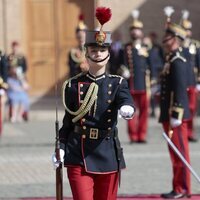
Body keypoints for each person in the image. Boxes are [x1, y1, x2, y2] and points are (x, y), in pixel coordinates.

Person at [52, 7, 135, 200]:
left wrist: (127, 108)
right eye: (94, 50)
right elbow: (68, 121)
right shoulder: (73, 84)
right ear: (86, 53)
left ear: (108, 53)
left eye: (102, 49)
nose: (98, 54)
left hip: (106, 151)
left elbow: (126, 99)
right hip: (77, 152)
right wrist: (61, 146)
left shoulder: (117, 83)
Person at [159, 23, 191, 199]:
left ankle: (182, 189)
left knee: (180, 153)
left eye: (168, 36)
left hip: (175, 115)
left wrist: (176, 113)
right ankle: (177, 186)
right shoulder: (170, 58)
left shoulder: (177, 61)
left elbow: (179, 88)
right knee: (174, 153)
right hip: (169, 114)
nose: (165, 40)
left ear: (176, 39)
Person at [121, 10, 150, 143]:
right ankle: (133, 136)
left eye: (137, 29)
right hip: (131, 83)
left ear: (141, 32)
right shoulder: (125, 48)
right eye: (133, 29)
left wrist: (154, 80)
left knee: (144, 112)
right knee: (130, 111)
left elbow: (152, 64)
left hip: (144, 84)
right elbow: (118, 63)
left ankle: (142, 135)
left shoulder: (147, 47)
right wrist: (123, 70)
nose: (135, 32)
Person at [180, 10, 200, 142]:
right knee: (181, 109)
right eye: (185, 29)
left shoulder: (195, 45)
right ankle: (182, 132)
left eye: (189, 29)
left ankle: (190, 132)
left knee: (192, 109)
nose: (188, 32)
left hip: (192, 81)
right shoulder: (177, 45)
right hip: (181, 81)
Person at [7, 41, 29, 121]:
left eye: (16, 47)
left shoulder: (22, 57)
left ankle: (20, 115)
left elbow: (25, 68)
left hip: (20, 79)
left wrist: (22, 76)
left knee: (24, 98)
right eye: (14, 47)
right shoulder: (9, 57)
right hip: (12, 80)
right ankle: (13, 115)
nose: (15, 49)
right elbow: (7, 69)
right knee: (14, 98)